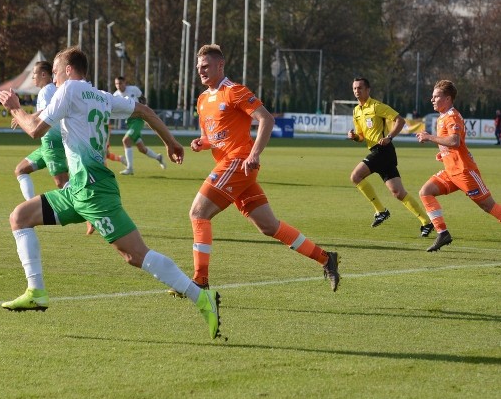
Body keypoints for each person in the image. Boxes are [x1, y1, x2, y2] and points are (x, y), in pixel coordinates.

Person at [0, 47, 222, 340]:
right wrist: (170, 142)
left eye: (54, 71)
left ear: (67, 70)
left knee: (136, 254)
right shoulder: (100, 96)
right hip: (77, 189)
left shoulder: (70, 89)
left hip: (92, 191)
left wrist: (15, 106)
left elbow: (35, 130)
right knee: (20, 217)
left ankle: (201, 297)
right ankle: (36, 291)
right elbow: (144, 110)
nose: (52, 77)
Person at [184, 44, 340, 293]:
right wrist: (200, 143)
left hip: (238, 161)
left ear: (220, 65)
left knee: (198, 213)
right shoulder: (202, 100)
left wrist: (254, 153)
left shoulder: (234, 91)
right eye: (198, 67)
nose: (201, 71)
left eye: (206, 66)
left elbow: (266, 119)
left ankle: (200, 280)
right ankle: (326, 258)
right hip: (233, 168)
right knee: (268, 226)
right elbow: (211, 137)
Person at [416, 80, 501, 252]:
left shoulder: (452, 116)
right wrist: (443, 154)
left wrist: (429, 137)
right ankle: (443, 233)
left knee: (488, 206)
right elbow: (450, 145)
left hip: (464, 171)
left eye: (436, 96)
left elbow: (455, 141)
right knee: (425, 192)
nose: (432, 99)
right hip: (451, 171)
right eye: (432, 96)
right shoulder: (442, 118)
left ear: (447, 99)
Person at [347, 77, 433, 236]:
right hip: (378, 153)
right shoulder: (356, 111)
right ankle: (426, 222)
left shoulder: (376, 106)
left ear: (368, 90)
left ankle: (380, 211)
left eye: (359, 88)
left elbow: (400, 120)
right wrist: (354, 137)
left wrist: (389, 137)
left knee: (355, 176)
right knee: (398, 193)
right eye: (354, 88)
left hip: (383, 151)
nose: (356, 91)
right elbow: (361, 136)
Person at [13, 61, 69, 200]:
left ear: (43, 74)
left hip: (52, 143)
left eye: (34, 74)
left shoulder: (46, 91)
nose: (33, 78)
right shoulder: (52, 89)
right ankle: (30, 210)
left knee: (63, 184)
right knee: (20, 170)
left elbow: (45, 112)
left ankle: (91, 208)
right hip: (47, 145)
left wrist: (24, 118)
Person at [113, 76, 166, 175]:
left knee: (126, 140)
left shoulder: (133, 89)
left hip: (138, 119)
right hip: (129, 122)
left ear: (125, 82)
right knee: (142, 149)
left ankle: (130, 168)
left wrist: (146, 112)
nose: (118, 86)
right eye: (116, 84)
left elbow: (142, 99)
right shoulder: (115, 95)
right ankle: (158, 157)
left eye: (120, 83)